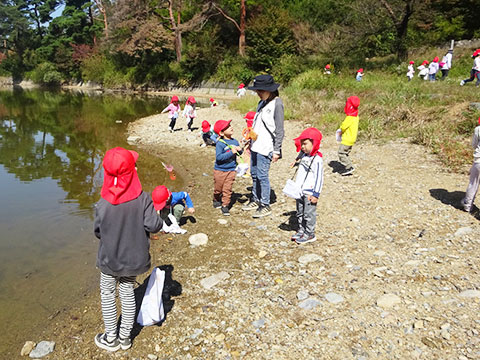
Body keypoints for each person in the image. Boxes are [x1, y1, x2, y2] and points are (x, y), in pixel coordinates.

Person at [94, 147, 162, 352]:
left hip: (109, 260)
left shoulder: (103, 203)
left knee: (107, 293)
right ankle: (125, 338)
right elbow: (154, 226)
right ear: (132, 172)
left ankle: (110, 337)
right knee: (127, 292)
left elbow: (98, 231)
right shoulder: (143, 199)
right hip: (134, 259)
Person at [242, 74, 285, 218]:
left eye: (260, 90)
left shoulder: (277, 104)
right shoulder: (262, 103)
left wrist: (277, 150)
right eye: (257, 91)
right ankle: (255, 198)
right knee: (254, 174)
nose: (258, 93)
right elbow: (257, 125)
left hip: (266, 147)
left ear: (269, 90)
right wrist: (249, 140)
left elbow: (279, 129)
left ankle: (265, 204)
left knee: (262, 175)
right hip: (255, 145)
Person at [290, 127, 324, 244]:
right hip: (300, 189)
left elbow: (319, 178)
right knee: (300, 211)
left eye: (305, 144)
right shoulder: (304, 156)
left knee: (309, 213)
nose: (302, 147)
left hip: (309, 191)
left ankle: (310, 233)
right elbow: (301, 156)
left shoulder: (317, 160)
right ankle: (302, 229)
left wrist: (316, 194)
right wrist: (296, 160)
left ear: (314, 143)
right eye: (301, 144)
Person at [213, 119, 243, 216]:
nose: (231, 127)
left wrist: (240, 150)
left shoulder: (235, 141)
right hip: (220, 170)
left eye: (230, 125)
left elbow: (239, 153)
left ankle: (225, 205)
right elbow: (219, 158)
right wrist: (231, 152)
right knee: (218, 188)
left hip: (231, 169)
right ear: (221, 132)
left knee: (227, 189)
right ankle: (216, 198)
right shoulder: (220, 143)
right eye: (227, 127)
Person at [461, 116, 480, 213]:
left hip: (478, 161)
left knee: (473, 183)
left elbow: (474, 144)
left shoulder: (478, 129)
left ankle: (468, 205)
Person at [338, 96, 360, 176]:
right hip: (352, 139)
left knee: (341, 153)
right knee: (346, 153)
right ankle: (346, 165)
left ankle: (348, 166)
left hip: (346, 139)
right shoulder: (356, 117)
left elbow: (343, 127)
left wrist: (340, 129)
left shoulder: (349, 117)